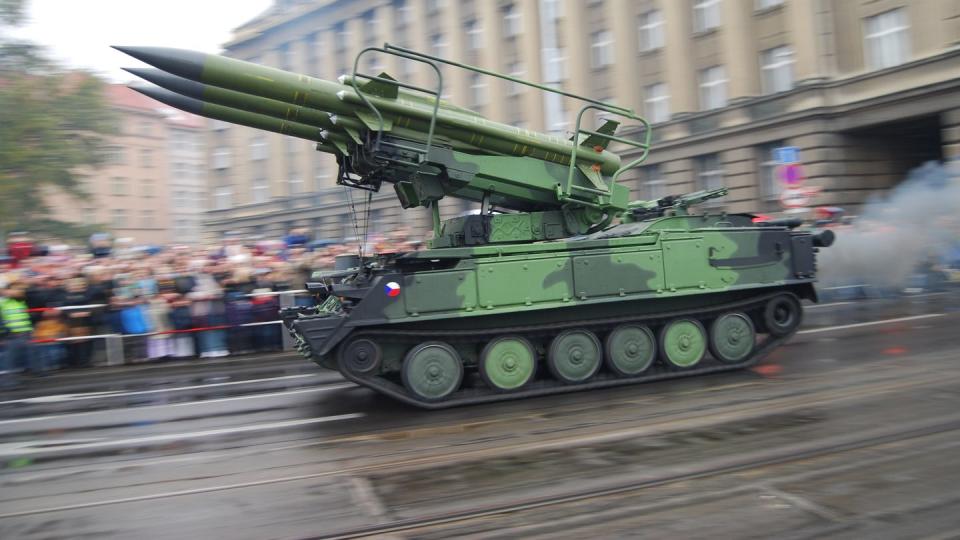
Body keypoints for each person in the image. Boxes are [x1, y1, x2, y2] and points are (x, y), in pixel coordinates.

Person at [1, 282, 33, 385]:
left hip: (24, 333)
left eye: (19, 289)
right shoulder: (3, 302)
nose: (19, 291)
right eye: (15, 289)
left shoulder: (20, 301)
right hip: (11, 335)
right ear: (6, 291)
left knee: (16, 359)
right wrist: (3, 334)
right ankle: (8, 381)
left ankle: (12, 379)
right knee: (10, 359)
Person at [32, 309, 67, 374]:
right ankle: (48, 366)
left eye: (53, 315)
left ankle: (52, 365)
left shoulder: (59, 323)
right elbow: (35, 334)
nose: (51, 316)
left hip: (53, 343)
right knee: (46, 356)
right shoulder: (40, 324)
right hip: (43, 343)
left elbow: (63, 332)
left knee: (56, 354)